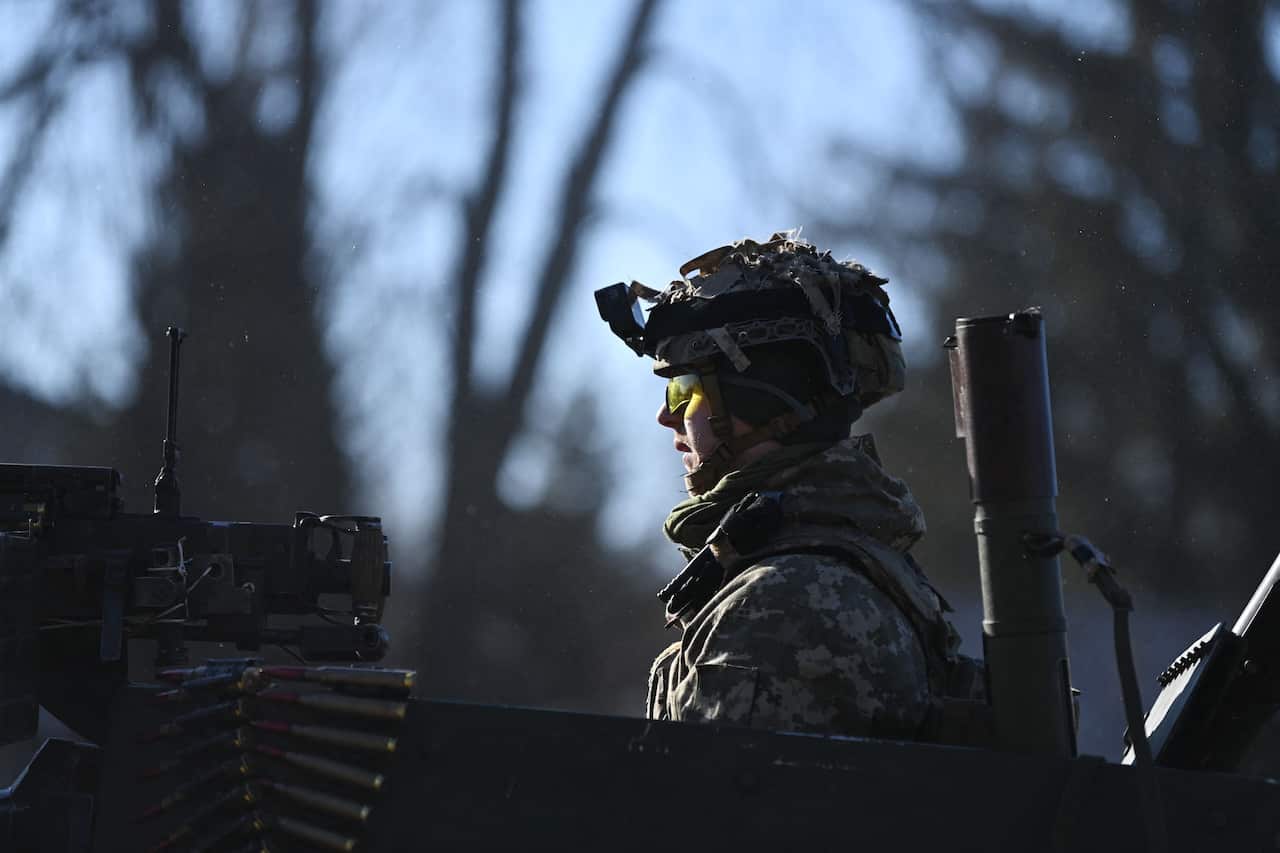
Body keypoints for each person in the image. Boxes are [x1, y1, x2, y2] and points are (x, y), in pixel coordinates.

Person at [596, 231, 980, 740]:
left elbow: (715, 814)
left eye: (685, 388)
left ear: (758, 403)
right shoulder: (832, 561)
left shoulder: (782, 604)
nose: (668, 416)